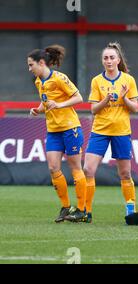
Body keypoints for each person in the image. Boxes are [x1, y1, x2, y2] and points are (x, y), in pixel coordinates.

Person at [27, 45, 87, 222]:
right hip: (53, 130)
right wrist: (38, 110)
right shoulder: (39, 81)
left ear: (41, 62)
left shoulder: (60, 78)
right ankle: (66, 207)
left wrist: (59, 105)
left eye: (31, 65)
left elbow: (79, 98)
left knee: (75, 167)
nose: (29, 69)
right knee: (53, 168)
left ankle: (81, 210)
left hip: (70, 128)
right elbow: (45, 101)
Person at [83, 42, 138, 223]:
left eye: (112, 58)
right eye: (105, 58)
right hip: (99, 130)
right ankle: (87, 211)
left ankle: (130, 209)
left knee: (125, 174)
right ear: (102, 61)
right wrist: (106, 99)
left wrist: (124, 98)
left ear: (118, 60)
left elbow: (135, 108)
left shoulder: (128, 80)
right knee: (88, 169)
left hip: (121, 131)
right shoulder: (97, 81)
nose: (108, 61)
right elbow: (93, 109)